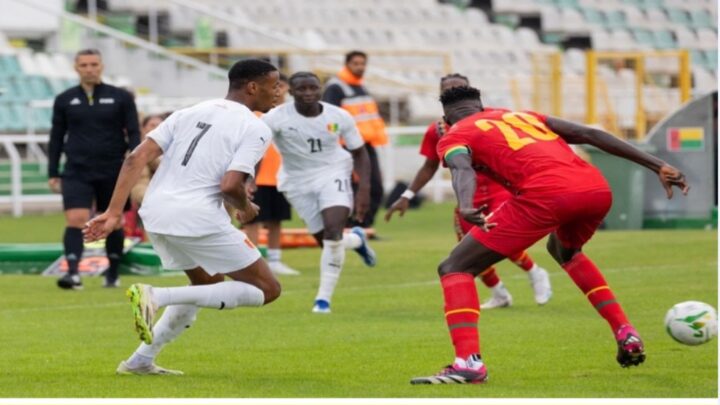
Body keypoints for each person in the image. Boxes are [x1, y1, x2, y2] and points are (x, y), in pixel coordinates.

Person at [411, 86, 689, 384]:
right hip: (595, 189)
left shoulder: (454, 134)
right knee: (565, 251)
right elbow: (590, 134)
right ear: (481, 106)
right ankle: (625, 331)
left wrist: (465, 205)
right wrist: (657, 164)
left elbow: (460, 169)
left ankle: (468, 363)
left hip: (546, 195)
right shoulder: (522, 116)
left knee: (455, 267)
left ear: (445, 118)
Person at [83, 59, 282, 375]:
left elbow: (136, 157)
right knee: (268, 290)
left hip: (157, 211)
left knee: (206, 285)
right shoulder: (255, 127)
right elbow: (230, 185)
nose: (279, 93)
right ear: (253, 87)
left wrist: (112, 212)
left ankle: (139, 361)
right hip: (198, 217)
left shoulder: (189, 112)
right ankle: (156, 296)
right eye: (275, 86)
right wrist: (245, 206)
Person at [385, 74, 551, 309]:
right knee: (466, 247)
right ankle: (499, 294)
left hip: (499, 189)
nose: (454, 92)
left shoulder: (493, 116)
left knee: (499, 239)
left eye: (459, 88)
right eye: (448, 90)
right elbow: (429, 166)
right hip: (467, 195)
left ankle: (535, 272)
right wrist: (406, 195)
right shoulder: (438, 129)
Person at [263, 71, 376, 314]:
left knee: (333, 232)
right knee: (326, 240)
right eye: (301, 89)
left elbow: (359, 152)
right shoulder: (276, 118)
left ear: (320, 89)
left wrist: (364, 190)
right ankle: (356, 240)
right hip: (296, 181)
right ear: (290, 92)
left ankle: (322, 300)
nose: (308, 93)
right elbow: (254, 144)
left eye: (312, 88)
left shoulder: (339, 116)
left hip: (333, 172)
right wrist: (247, 178)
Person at [48, 48, 141, 290]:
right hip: (76, 170)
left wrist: (135, 160)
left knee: (114, 220)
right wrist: (52, 172)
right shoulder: (65, 99)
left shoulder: (121, 97)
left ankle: (112, 273)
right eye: (84, 65)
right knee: (76, 219)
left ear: (101, 67)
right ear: (76, 68)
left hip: (113, 169)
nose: (89, 69)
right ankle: (73, 274)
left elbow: (133, 132)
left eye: (94, 64)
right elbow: (57, 137)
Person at [323, 51, 388, 233]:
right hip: (348, 146)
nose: (360, 67)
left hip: (365, 145)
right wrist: (335, 146)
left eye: (363, 63)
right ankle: (352, 227)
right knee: (355, 188)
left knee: (375, 188)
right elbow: (330, 119)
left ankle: (363, 227)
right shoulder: (336, 88)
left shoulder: (360, 86)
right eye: (356, 63)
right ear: (347, 64)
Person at [243, 74, 299, 276]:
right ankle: (253, 262)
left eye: (281, 85)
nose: (278, 90)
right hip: (258, 177)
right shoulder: (257, 113)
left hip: (281, 175)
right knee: (252, 221)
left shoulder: (291, 114)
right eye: (274, 86)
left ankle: (275, 259)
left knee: (277, 220)